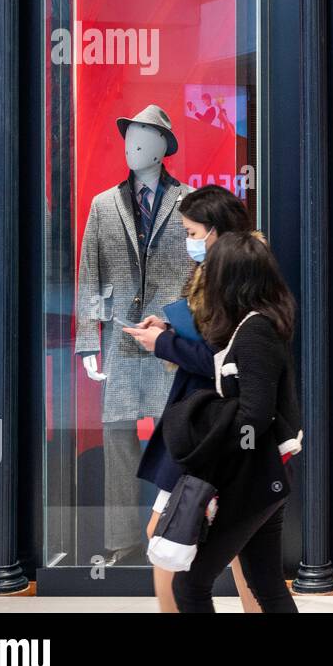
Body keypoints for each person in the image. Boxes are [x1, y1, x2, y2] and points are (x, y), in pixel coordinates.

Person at [122, 184, 260, 612]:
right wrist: (168, 330)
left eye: (192, 231)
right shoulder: (224, 276)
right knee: (239, 551)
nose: (188, 241)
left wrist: (162, 344)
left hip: (209, 426)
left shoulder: (234, 282)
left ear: (215, 233)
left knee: (169, 536)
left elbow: (223, 361)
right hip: (206, 422)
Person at [162, 232, 302, 613]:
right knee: (266, 583)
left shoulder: (256, 330)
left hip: (252, 478)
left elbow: (255, 414)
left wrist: (225, 460)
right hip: (262, 474)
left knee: (191, 583)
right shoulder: (256, 324)